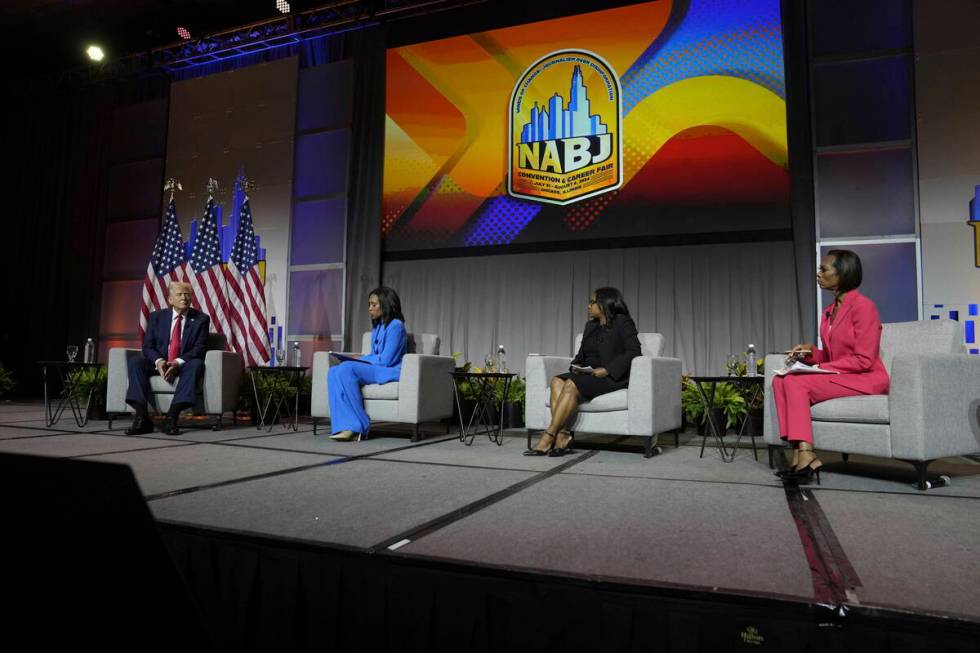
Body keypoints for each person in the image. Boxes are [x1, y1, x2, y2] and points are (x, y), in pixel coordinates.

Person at [774, 249, 889, 483]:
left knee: (797, 383)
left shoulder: (864, 307)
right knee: (780, 380)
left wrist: (819, 370)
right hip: (844, 374)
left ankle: (807, 454)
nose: (818, 274)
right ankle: (797, 452)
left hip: (866, 378)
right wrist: (809, 354)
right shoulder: (829, 312)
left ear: (843, 273)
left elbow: (864, 359)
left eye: (824, 269)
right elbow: (830, 355)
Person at [525, 287, 642, 457]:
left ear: (604, 303)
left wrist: (608, 370)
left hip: (609, 377)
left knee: (571, 385)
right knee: (556, 381)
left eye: (592, 302)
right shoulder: (590, 326)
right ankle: (563, 435)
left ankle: (549, 435)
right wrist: (576, 365)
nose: (588, 306)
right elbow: (581, 354)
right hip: (587, 374)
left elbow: (634, 351)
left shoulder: (622, 322)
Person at [125, 281, 210, 436]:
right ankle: (142, 418)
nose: (184, 298)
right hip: (159, 363)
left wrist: (177, 362)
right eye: (179, 294)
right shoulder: (157, 317)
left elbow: (199, 348)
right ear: (170, 300)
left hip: (184, 364)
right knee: (135, 362)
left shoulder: (201, 319)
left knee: (197, 364)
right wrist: (159, 361)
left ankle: (171, 417)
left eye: (187, 294)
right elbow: (148, 346)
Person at [327, 287, 407, 441]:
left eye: (374, 304)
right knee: (333, 372)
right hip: (378, 368)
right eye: (369, 304)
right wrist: (363, 357)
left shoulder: (396, 326)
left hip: (390, 370)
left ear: (386, 304)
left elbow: (385, 360)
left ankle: (358, 427)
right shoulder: (377, 327)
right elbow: (375, 355)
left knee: (346, 368)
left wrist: (361, 359)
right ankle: (342, 426)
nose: (370, 308)